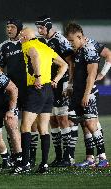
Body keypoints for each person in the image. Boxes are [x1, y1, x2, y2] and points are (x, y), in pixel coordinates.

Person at [13, 27, 68, 174]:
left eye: (21, 35)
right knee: (43, 128)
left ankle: (24, 164)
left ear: (25, 37)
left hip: (36, 89)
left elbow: (35, 56)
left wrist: (37, 76)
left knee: (25, 127)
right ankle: (44, 164)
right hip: (49, 90)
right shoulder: (44, 45)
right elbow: (64, 65)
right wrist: (55, 80)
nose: (19, 37)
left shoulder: (27, 45)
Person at [65, 22, 109, 168]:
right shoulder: (79, 49)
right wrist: (71, 86)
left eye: (72, 41)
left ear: (80, 36)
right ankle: (90, 159)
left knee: (91, 123)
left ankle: (102, 158)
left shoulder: (89, 49)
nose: (70, 44)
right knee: (84, 124)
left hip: (87, 93)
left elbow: (91, 75)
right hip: (78, 92)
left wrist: (86, 94)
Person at [34, 15, 74, 167]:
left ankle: (68, 157)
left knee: (63, 118)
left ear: (49, 26)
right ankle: (58, 157)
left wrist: (69, 83)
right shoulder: (41, 40)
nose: (39, 30)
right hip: (48, 84)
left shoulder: (60, 40)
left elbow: (70, 62)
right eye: (38, 27)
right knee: (51, 119)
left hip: (60, 82)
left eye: (42, 27)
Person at [0, 19, 26, 160]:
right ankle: (16, 154)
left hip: (28, 89)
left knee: (29, 125)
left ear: (19, 29)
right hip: (12, 90)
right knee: (10, 121)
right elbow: (1, 69)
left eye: (12, 27)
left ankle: (29, 156)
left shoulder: (27, 42)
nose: (9, 29)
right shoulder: (3, 46)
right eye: (7, 26)